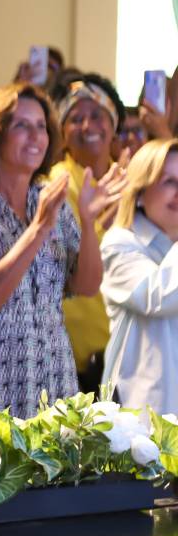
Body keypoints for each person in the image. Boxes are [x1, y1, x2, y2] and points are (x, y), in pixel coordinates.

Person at [0, 83, 112, 418]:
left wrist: (90, 219)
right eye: (21, 125)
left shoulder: (51, 199)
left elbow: (86, 286)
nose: (35, 136)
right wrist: (38, 228)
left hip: (53, 368)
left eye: (41, 127)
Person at [48, 75, 130, 390]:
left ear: (114, 123)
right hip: (76, 359)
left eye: (96, 115)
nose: (87, 126)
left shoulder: (132, 175)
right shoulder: (58, 182)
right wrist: (106, 217)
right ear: (62, 133)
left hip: (127, 349)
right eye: (75, 119)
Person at [101, 139, 178, 414]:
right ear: (141, 192)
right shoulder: (119, 243)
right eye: (169, 181)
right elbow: (159, 295)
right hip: (142, 425)